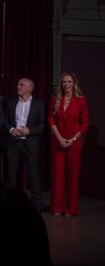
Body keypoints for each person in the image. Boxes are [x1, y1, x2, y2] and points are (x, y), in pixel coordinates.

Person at [48, 71, 89, 216]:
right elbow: (51, 120)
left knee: (72, 177)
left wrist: (72, 139)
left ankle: (71, 209)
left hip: (74, 144)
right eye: (64, 82)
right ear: (61, 84)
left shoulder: (81, 100)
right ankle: (57, 208)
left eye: (69, 82)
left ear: (74, 83)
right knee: (57, 177)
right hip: (58, 142)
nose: (66, 84)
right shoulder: (55, 99)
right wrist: (59, 138)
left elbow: (85, 123)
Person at [5, 78, 45, 210]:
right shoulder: (11, 104)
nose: (18, 87)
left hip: (30, 143)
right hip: (14, 143)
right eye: (17, 84)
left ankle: (37, 203)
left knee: (34, 175)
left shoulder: (38, 105)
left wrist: (29, 131)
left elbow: (42, 125)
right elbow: (5, 122)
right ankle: (10, 203)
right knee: (11, 175)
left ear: (30, 88)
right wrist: (11, 130)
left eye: (21, 85)